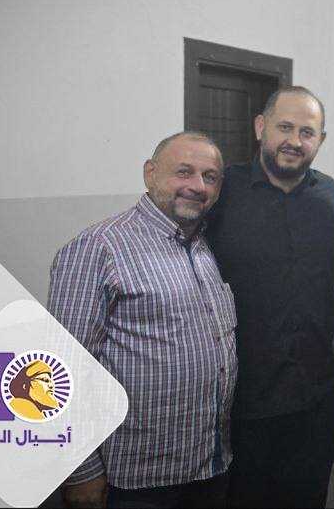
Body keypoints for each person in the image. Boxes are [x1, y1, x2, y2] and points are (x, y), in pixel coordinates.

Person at [50, 131, 236, 509]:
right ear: (150, 173)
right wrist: (81, 470)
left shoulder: (204, 247)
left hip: (209, 464)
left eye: (210, 177)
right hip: (135, 480)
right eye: (183, 172)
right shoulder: (98, 248)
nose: (197, 186)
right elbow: (60, 370)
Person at [204, 86, 334, 508]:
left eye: (307, 132)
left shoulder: (330, 195)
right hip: (244, 400)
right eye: (285, 127)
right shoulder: (223, 192)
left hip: (314, 397)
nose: (294, 141)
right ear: (260, 127)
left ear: (320, 140)